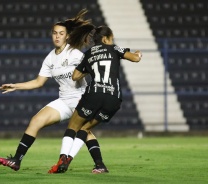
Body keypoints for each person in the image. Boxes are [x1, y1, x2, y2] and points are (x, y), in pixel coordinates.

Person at [0, 9, 107, 174]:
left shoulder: (75, 53)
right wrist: (15, 86)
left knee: (84, 131)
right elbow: (38, 82)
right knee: (36, 121)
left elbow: (92, 69)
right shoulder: (50, 58)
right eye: (54, 33)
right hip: (64, 100)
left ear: (67, 36)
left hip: (80, 99)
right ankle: (16, 160)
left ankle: (100, 165)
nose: (57, 36)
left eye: (61, 33)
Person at [49, 25, 142, 174]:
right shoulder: (114, 49)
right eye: (111, 38)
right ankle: (93, 164)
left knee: (73, 126)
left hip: (94, 95)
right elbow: (135, 58)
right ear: (106, 39)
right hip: (114, 99)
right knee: (86, 128)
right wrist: (138, 53)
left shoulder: (89, 53)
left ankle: (63, 159)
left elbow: (75, 76)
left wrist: (89, 68)